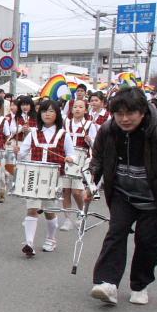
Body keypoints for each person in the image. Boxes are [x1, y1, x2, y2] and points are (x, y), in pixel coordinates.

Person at [89, 88, 157, 306]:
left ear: (142, 112)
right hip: (122, 192)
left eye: (130, 113)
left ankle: (140, 285)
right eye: (119, 113)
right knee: (115, 232)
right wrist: (91, 182)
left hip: (153, 198)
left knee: (147, 242)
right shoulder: (108, 129)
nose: (124, 119)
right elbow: (98, 159)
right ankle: (107, 283)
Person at [15, 100, 75, 256]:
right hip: (34, 175)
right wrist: (17, 151)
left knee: (49, 210)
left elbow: (71, 153)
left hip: (54, 177)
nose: (47, 114)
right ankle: (28, 242)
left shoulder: (63, 134)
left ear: (57, 114)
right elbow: (22, 154)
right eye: (43, 111)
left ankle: (50, 238)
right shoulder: (34, 133)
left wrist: (69, 158)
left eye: (50, 111)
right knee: (32, 208)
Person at [59, 99, 96, 231]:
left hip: (82, 160)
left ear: (85, 110)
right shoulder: (65, 123)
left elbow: (95, 145)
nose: (77, 109)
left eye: (81, 107)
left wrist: (90, 140)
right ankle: (68, 219)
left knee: (76, 191)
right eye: (75, 107)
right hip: (67, 158)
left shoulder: (90, 125)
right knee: (66, 190)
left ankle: (81, 213)